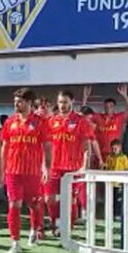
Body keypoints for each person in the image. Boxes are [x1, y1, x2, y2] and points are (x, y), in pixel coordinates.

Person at [44, 90, 103, 236]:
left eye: (65, 102)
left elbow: (86, 146)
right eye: (60, 102)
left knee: (70, 200)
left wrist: (84, 166)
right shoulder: (51, 121)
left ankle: (67, 228)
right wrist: (44, 166)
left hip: (73, 168)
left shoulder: (80, 121)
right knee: (49, 198)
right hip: (54, 167)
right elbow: (45, 146)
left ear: (72, 102)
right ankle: (55, 221)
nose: (62, 105)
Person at [1, 88, 51, 253]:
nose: (16, 104)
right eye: (15, 101)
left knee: (35, 205)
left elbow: (47, 146)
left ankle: (34, 229)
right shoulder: (9, 122)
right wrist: (2, 169)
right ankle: (15, 242)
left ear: (29, 103)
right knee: (14, 205)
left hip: (32, 172)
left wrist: (46, 167)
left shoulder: (40, 122)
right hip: (13, 172)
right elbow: (5, 146)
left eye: (20, 101)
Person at [82, 84, 128, 162]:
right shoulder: (99, 117)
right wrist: (85, 97)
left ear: (114, 107)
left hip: (114, 155)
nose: (108, 108)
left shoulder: (118, 117)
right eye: (106, 106)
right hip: (100, 156)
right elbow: (83, 114)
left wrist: (125, 95)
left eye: (111, 106)